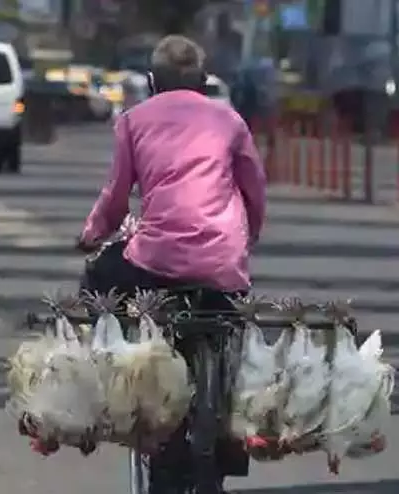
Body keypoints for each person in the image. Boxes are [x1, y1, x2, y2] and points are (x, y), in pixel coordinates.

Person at [75, 35, 267, 494]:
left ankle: (118, 374)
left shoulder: (133, 121)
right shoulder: (229, 121)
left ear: (151, 82)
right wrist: (247, 238)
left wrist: (91, 234)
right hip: (223, 263)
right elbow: (254, 189)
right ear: (203, 82)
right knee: (229, 329)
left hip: (155, 262)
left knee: (99, 280)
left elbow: (116, 198)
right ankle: (228, 428)